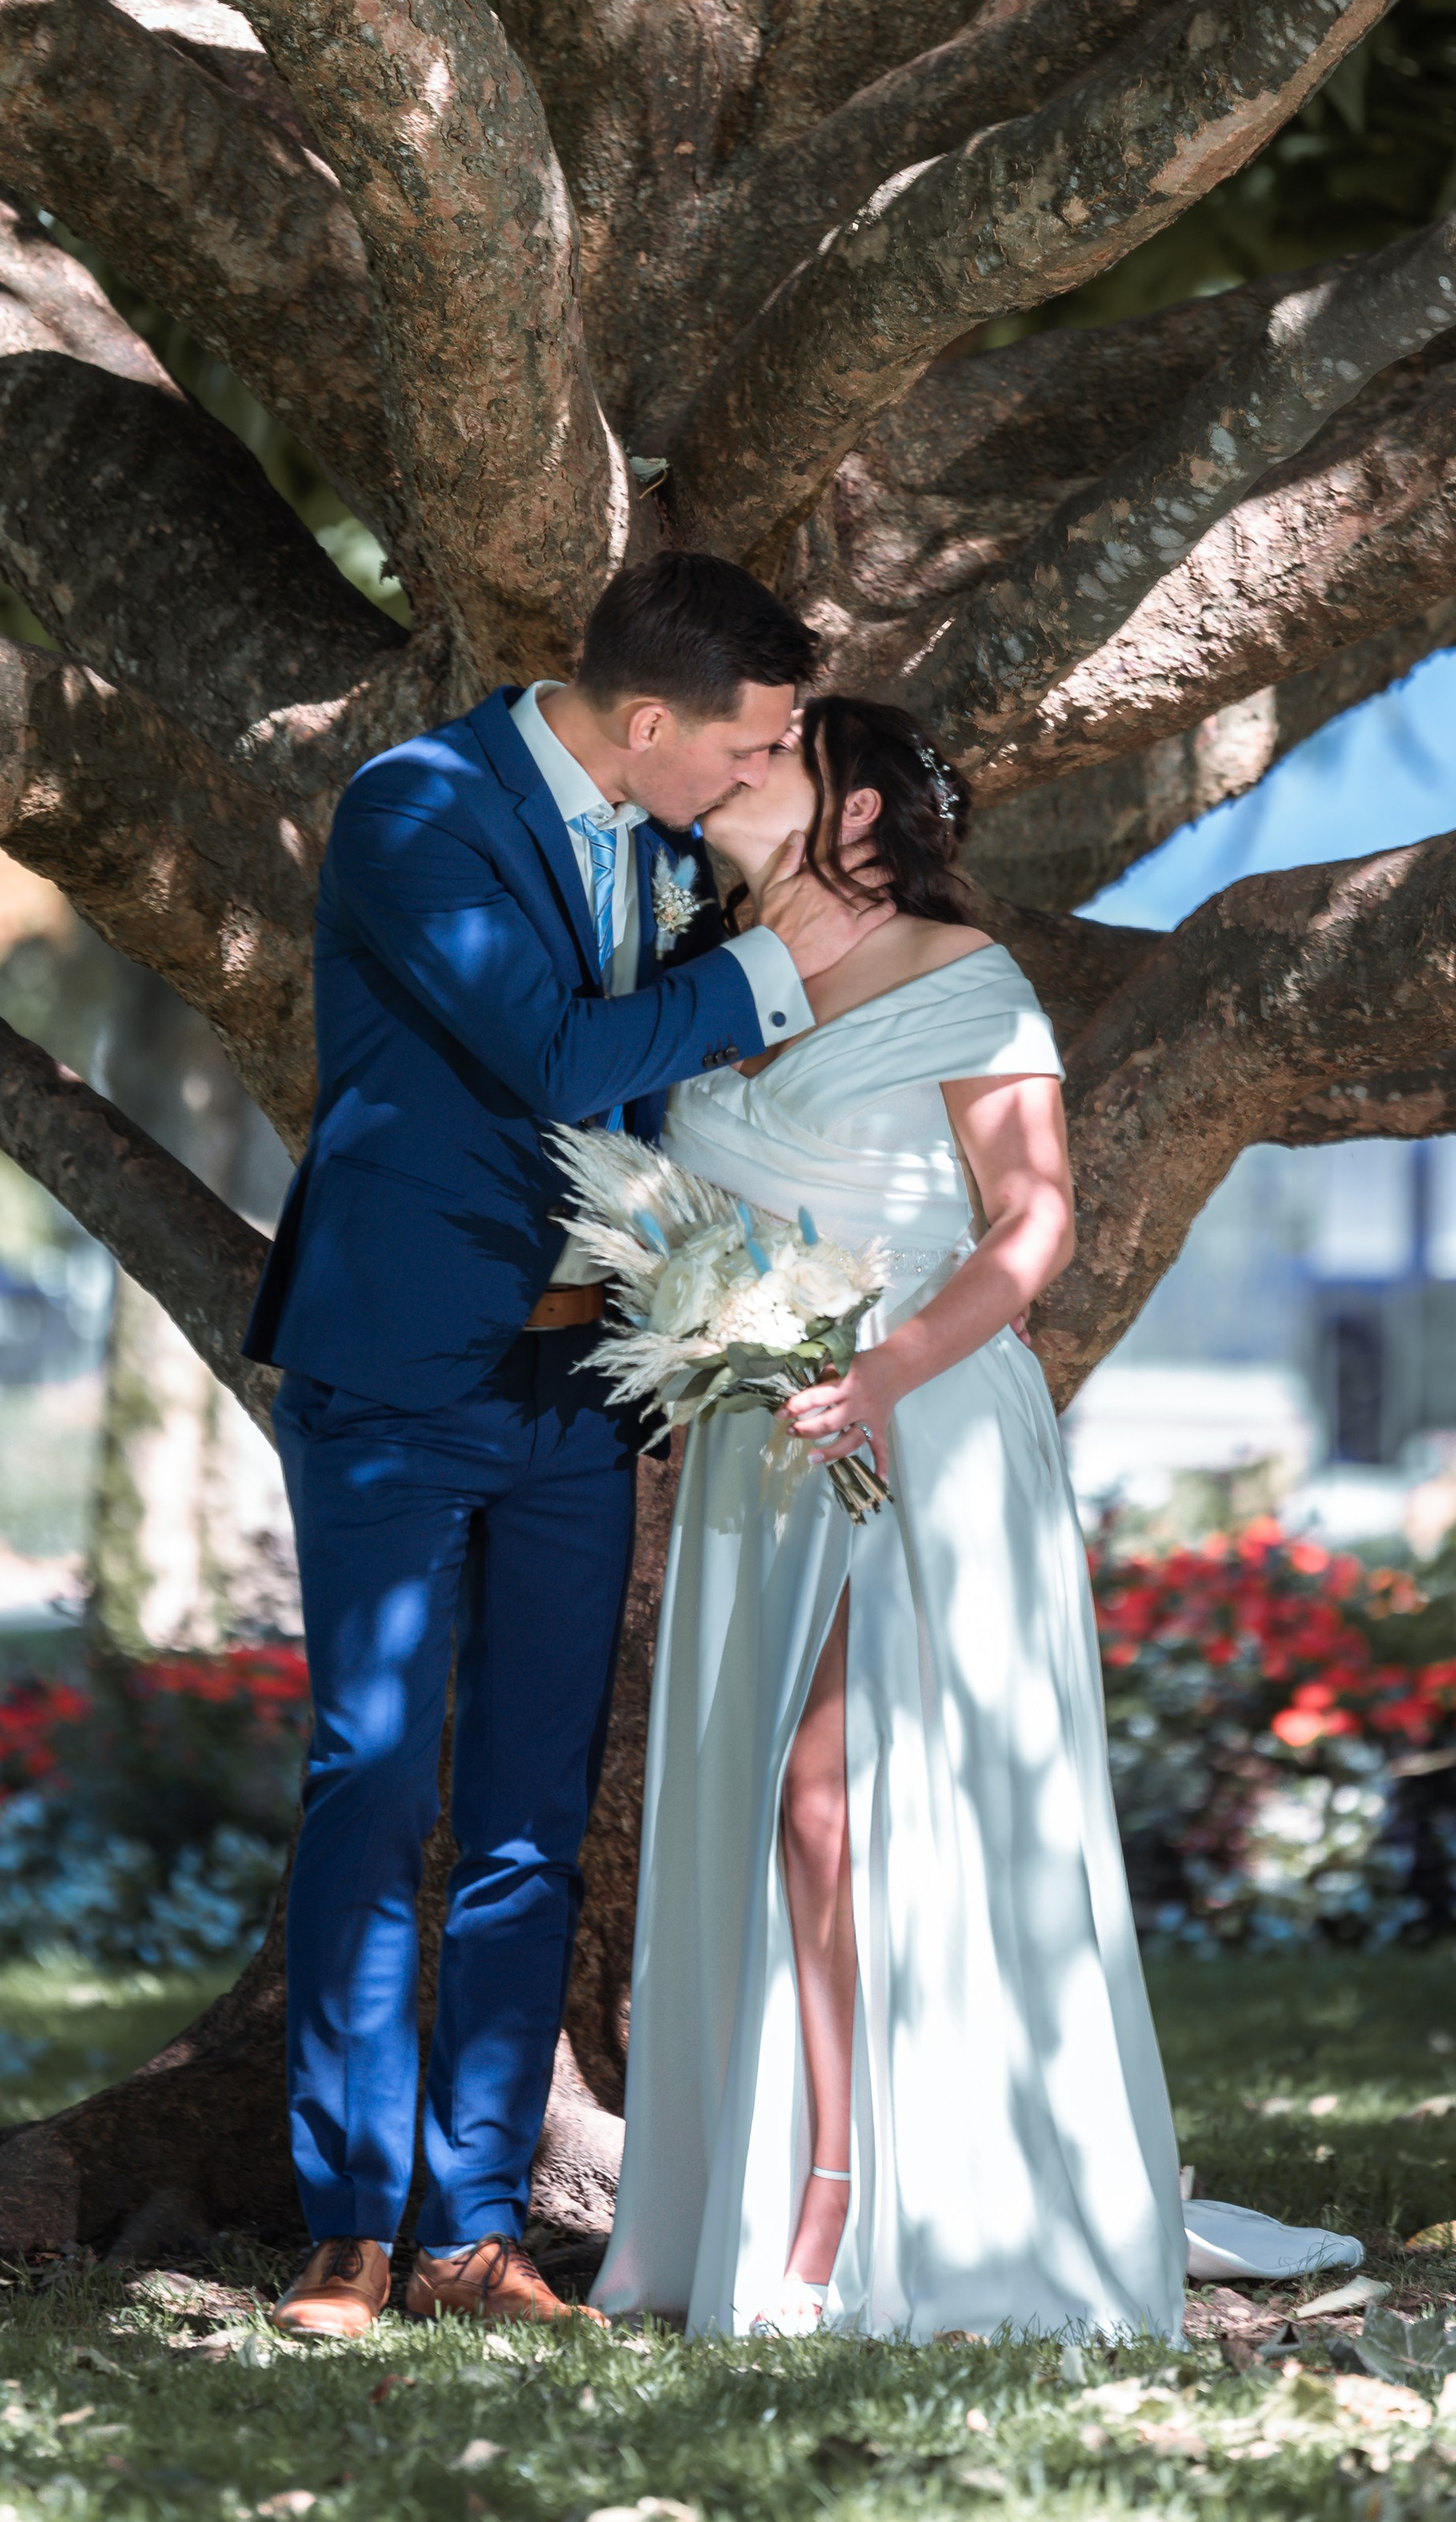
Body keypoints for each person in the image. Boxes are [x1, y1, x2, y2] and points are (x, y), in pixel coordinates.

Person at [592, 695, 1360, 2340]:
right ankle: (789, 2173)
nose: (735, 769)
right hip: (757, 1442)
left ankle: (839, 2197)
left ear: (861, 809)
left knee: (835, 1802)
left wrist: (882, 1370)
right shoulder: (706, 990)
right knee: (783, 1807)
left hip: (921, 1422)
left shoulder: (964, 977)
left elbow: (1032, 1225)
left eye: (776, 757)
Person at [245, 558, 888, 2337]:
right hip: (397, 1370)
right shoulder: (415, 807)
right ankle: (346, 2227)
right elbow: (542, 1053)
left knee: (530, 1817)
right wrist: (776, 965)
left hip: (579, 1387)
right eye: (746, 746)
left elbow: (666, 1081)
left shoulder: (668, 841)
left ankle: (474, 2229)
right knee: (376, 1782)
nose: (757, 775)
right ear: (650, 718)